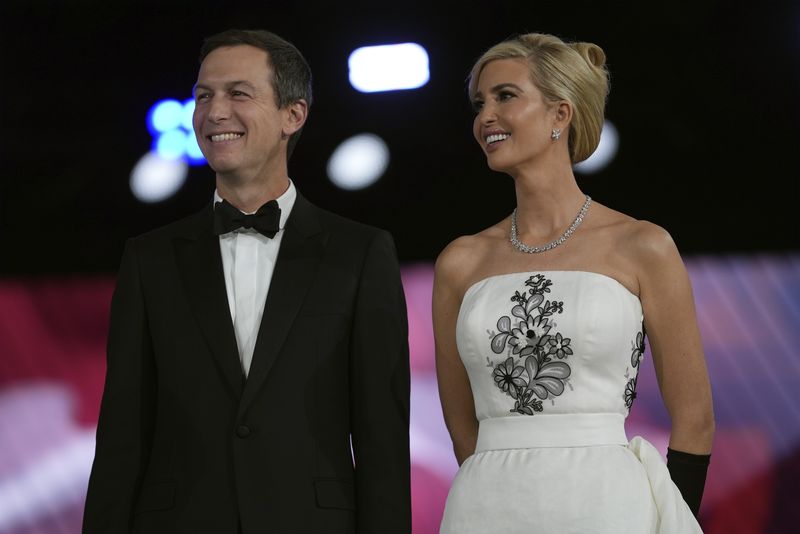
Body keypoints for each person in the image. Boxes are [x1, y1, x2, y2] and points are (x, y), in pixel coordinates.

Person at [83, 29, 411, 534]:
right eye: (203, 96)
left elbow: (382, 439)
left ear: (292, 115)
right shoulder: (148, 258)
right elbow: (122, 435)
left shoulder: (361, 253)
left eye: (238, 93)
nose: (214, 112)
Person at [433, 33, 714, 533]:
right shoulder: (460, 261)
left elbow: (695, 418)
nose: (485, 117)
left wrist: (677, 521)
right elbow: (461, 426)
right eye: (479, 104)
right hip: (485, 506)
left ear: (560, 114)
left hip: (609, 507)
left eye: (505, 96)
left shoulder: (642, 245)